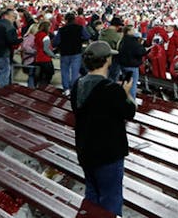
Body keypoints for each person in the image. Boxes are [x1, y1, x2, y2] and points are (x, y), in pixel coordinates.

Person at [71, 40, 136, 216]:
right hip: (108, 154)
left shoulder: (77, 85)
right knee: (111, 199)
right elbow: (129, 112)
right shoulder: (111, 89)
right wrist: (126, 93)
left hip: (85, 150)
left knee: (92, 196)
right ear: (107, 60)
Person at [56, 12, 91, 94]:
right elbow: (87, 36)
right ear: (74, 19)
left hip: (64, 52)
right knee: (75, 72)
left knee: (65, 71)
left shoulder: (62, 30)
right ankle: (74, 89)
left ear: (66, 20)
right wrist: (80, 40)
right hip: (76, 52)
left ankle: (66, 89)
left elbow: (56, 42)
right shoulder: (80, 28)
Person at [116, 25, 146, 100]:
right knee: (132, 84)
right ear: (128, 31)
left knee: (125, 82)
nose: (134, 31)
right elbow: (140, 52)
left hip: (123, 65)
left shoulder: (122, 40)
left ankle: (123, 98)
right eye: (133, 29)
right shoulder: (133, 41)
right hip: (132, 65)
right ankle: (131, 101)